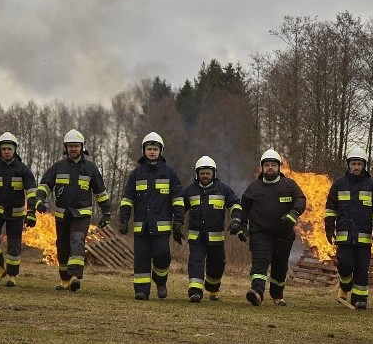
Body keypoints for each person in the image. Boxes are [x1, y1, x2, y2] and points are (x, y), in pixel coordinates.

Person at [33, 129, 111, 292]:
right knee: (62, 246)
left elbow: (100, 192)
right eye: (70, 146)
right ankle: (65, 280)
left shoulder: (90, 168)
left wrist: (106, 212)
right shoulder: (58, 167)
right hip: (62, 214)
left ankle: (75, 276)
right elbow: (44, 186)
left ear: (82, 147)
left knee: (77, 239)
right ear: (65, 148)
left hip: (81, 214)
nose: (73, 149)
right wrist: (39, 200)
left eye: (76, 146)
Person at [118, 132, 184, 300]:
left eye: (155, 149)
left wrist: (178, 220)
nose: (152, 152)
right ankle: (141, 290)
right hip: (142, 226)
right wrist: (124, 220)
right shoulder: (136, 174)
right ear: (144, 151)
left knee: (162, 256)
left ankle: (160, 280)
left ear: (161, 151)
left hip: (161, 227)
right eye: (149, 149)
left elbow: (177, 199)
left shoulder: (170, 173)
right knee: (141, 258)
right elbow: (127, 199)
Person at [239, 149, 306, 306]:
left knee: (280, 266)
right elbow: (244, 208)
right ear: (262, 168)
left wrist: (294, 213)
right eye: (267, 165)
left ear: (279, 167)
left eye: (273, 165)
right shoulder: (253, 188)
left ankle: (277, 295)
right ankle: (257, 292)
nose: (270, 168)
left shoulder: (289, 185)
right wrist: (242, 225)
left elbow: (300, 200)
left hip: (283, 234)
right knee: (260, 263)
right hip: (259, 233)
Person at [324, 147, 373, 310]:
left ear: (364, 166)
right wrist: (329, 229)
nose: (356, 167)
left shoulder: (371, 185)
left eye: (359, 164)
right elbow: (330, 209)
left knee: (361, 268)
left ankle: (360, 299)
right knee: (344, 263)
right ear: (348, 165)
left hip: (363, 236)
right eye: (353, 164)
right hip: (344, 235)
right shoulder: (339, 184)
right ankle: (345, 283)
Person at [0, 132, 38, 287]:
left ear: (15, 150)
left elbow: (31, 192)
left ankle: (12, 276)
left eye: (10, 149)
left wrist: (31, 212)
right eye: (4, 149)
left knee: (14, 245)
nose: (7, 151)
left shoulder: (23, 170)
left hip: (17, 213)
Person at [182, 156, 244, 303]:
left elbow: (235, 204)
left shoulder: (223, 190)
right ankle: (195, 291)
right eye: (202, 173)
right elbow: (180, 209)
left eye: (208, 173)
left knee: (216, 265)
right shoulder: (190, 191)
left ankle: (212, 288)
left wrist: (236, 220)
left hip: (216, 238)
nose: (205, 176)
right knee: (195, 261)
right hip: (196, 237)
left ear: (213, 174)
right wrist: (177, 224)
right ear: (197, 174)